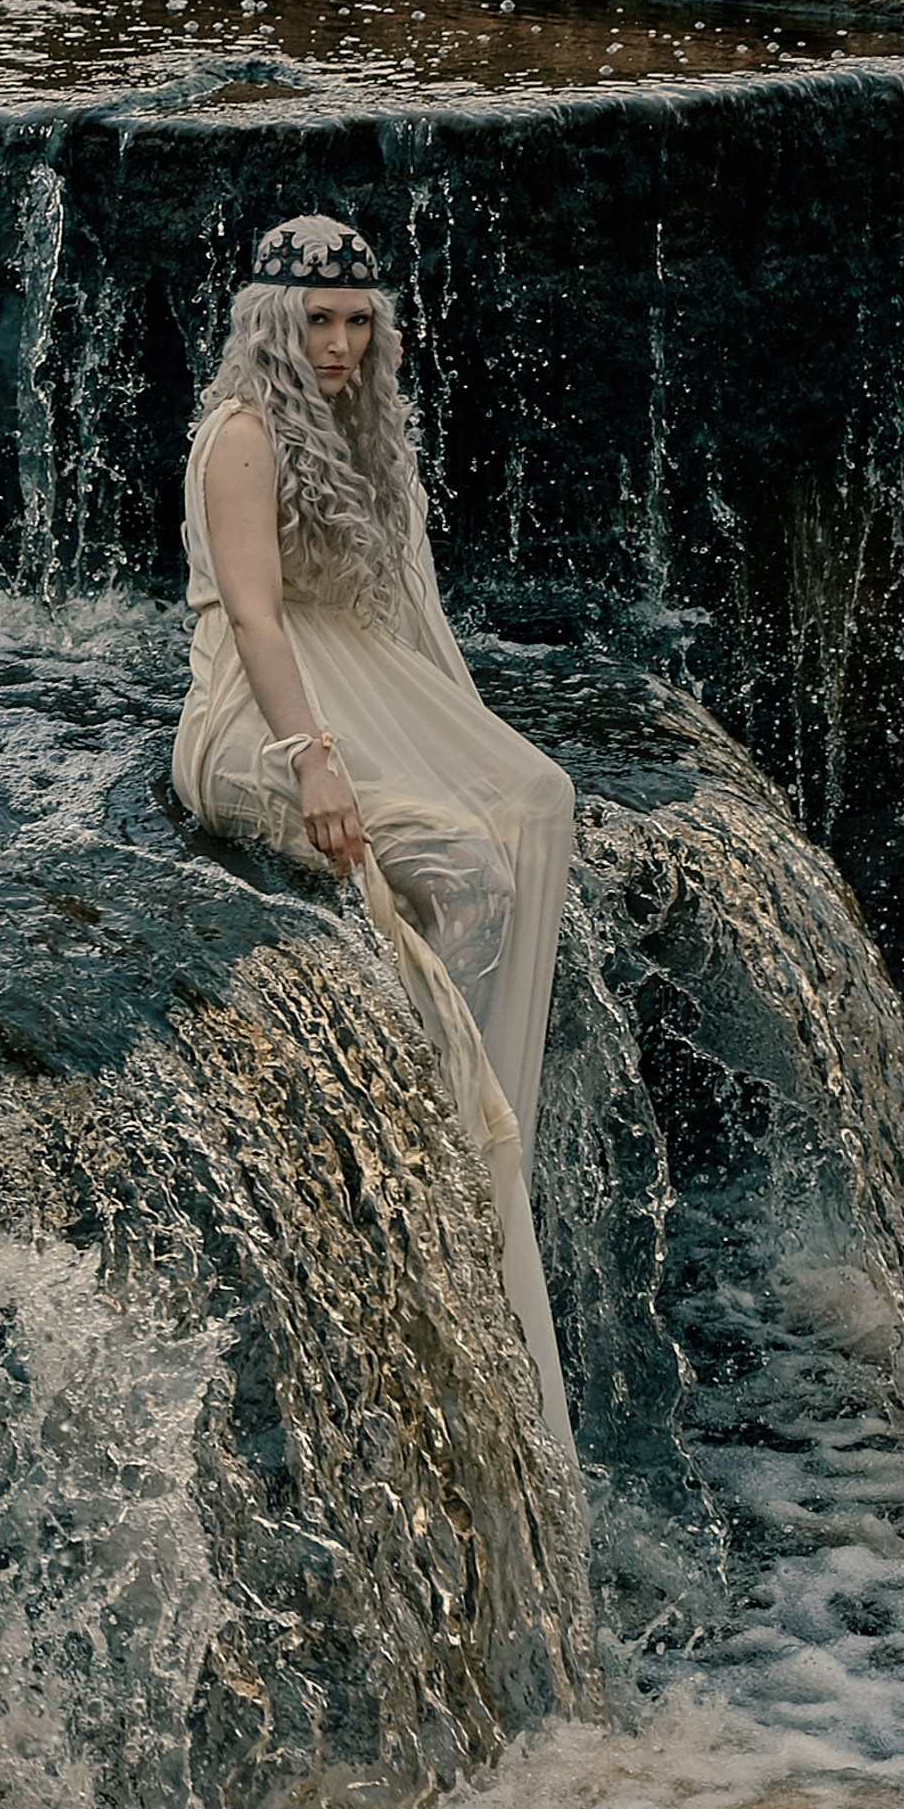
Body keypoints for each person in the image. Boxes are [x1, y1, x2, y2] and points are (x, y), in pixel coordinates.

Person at [172, 213, 578, 1450]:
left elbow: (402, 618)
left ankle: (483, 1102)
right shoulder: (241, 434)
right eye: (318, 321)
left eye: (358, 321)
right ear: (271, 324)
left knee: (536, 799)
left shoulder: (357, 431)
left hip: (354, 683)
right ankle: (429, 1118)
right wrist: (318, 766)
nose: (340, 342)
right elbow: (253, 617)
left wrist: (454, 725)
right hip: (259, 716)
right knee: (460, 863)